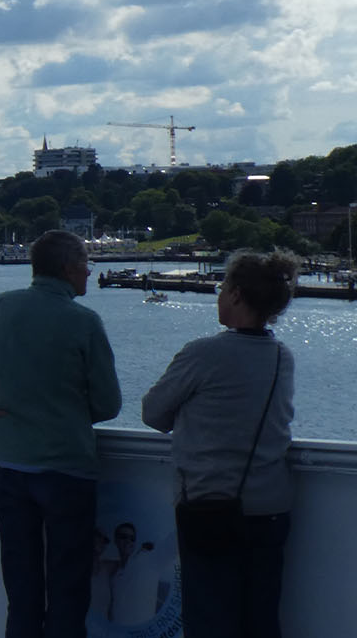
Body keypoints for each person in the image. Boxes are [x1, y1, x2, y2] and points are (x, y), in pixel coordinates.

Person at [0, 230, 120, 638]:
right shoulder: (84, 322)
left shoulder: (2, 307)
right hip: (67, 470)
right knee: (67, 588)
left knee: (22, 587)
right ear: (68, 269)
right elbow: (108, 406)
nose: (89, 272)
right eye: (86, 264)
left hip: (9, 467)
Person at [142, 250, 299, 637]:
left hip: (210, 508)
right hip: (270, 509)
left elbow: (153, 414)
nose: (218, 293)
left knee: (211, 620)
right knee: (260, 621)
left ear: (236, 295)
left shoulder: (204, 353)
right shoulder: (282, 356)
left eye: (222, 286)